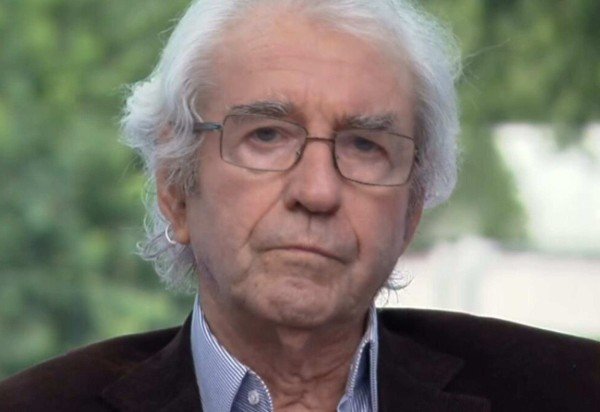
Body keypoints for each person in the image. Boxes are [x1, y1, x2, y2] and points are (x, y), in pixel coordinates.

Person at [1, 0, 598, 411]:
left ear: (411, 210)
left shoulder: (572, 391)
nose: (317, 191)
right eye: (266, 136)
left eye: (364, 146)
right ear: (176, 188)